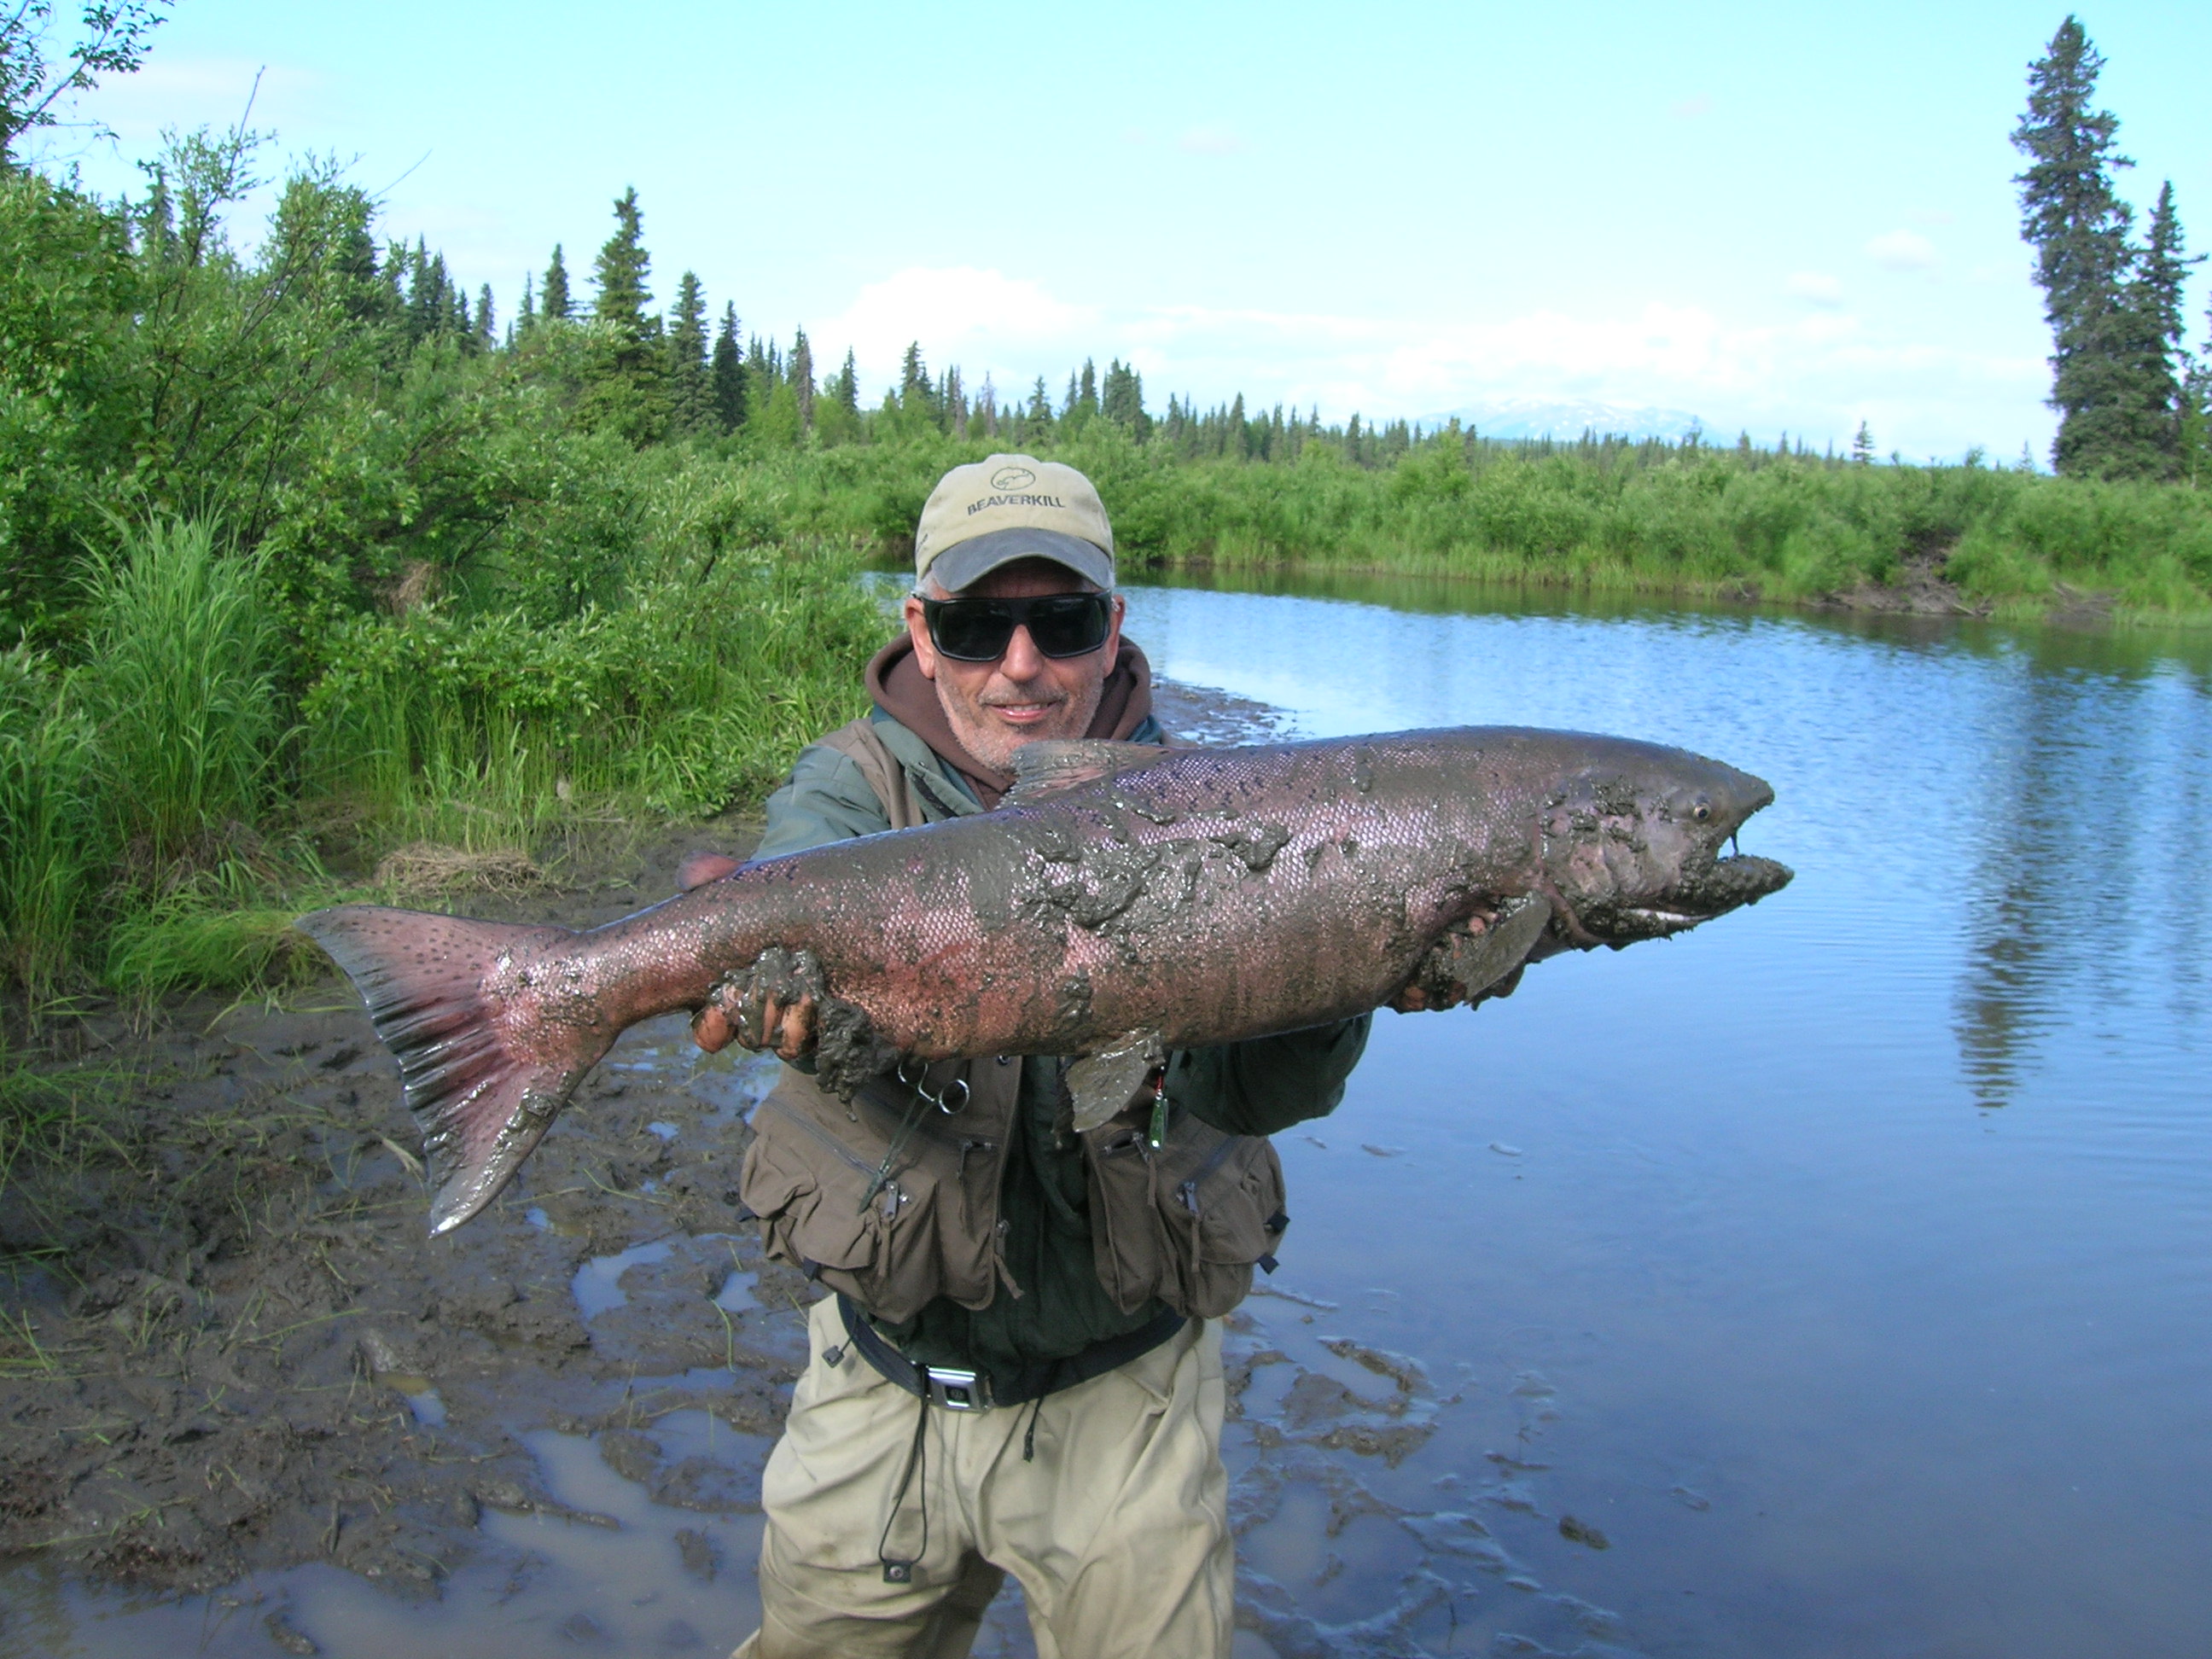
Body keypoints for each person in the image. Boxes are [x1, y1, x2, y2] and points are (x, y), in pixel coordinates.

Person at [690, 455, 1371, 1659]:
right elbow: (780, 916)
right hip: (881, 1380)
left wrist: (1338, 971)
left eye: (1058, 622)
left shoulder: (1219, 812)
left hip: (1126, 1398)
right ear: (919, 626)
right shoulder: (849, 792)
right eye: (974, 624)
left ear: (1111, 629)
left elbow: (1268, 1091)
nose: (1019, 666)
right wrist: (804, 1011)